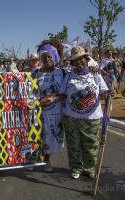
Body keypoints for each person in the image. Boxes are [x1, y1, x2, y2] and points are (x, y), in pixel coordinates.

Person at [60, 46, 109, 179]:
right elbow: (62, 94)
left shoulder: (95, 74)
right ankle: (76, 167)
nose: (78, 62)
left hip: (92, 118)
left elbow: (104, 93)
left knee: (91, 145)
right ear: (72, 62)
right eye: (75, 60)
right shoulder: (68, 76)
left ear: (86, 59)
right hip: (71, 117)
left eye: (81, 59)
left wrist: (109, 93)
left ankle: (90, 168)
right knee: (73, 144)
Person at [31, 39, 66, 172]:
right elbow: (29, 92)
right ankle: (36, 158)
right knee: (38, 136)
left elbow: (67, 93)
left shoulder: (62, 73)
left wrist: (54, 98)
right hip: (39, 112)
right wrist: (38, 101)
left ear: (55, 57)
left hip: (56, 112)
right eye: (44, 57)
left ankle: (46, 159)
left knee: (51, 138)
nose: (47, 59)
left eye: (49, 56)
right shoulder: (35, 74)